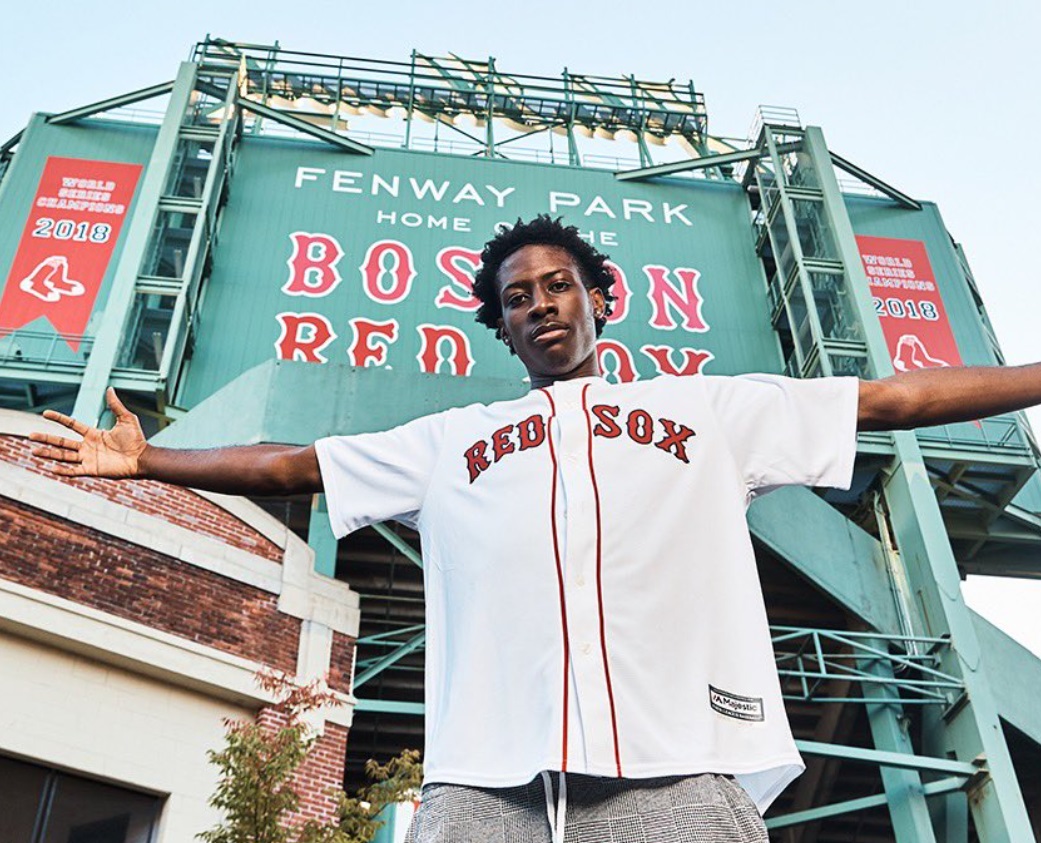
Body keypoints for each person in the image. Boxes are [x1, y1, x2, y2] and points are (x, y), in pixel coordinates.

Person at [30, 216, 1041, 842]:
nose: (542, 305)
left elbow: (891, 400)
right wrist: (148, 458)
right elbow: (297, 465)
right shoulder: (452, 439)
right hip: (482, 788)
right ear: (501, 327)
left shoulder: (712, 411)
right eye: (518, 299)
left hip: (677, 770)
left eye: (558, 286)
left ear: (601, 301)